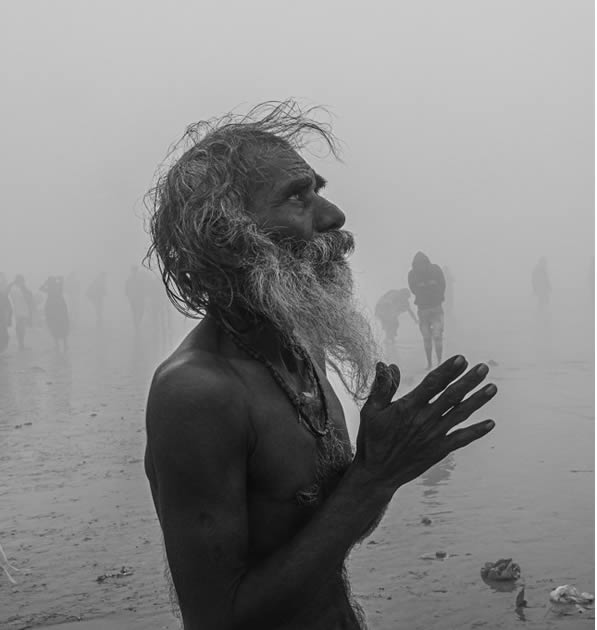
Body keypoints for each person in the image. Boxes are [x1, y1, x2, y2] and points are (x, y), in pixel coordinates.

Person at [142, 102, 496, 630]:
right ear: (228, 235)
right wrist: (372, 481)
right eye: (297, 197)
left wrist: (380, 467)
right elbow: (218, 619)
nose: (333, 217)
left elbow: (317, 527)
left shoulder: (301, 348)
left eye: (319, 190)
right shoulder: (198, 392)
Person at [408, 252, 447, 370]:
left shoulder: (412, 273)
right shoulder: (435, 269)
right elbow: (443, 284)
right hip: (434, 307)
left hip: (424, 308)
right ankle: (438, 363)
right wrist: (437, 294)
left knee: (428, 338)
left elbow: (413, 289)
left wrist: (423, 291)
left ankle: (430, 364)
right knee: (437, 336)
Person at [41, 276, 70, 352]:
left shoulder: (49, 289)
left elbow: (41, 288)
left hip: (51, 309)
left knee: (54, 325)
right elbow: (62, 280)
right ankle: (65, 344)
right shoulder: (58, 286)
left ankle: (57, 344)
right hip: (60, 308)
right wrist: (58, 279)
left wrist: (46, 282)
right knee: (62, 325)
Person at [9, 275, 33, 350]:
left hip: (22, 311)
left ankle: (21, 344)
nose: (23, 282)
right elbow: (23, 298)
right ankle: (21, 345)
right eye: (22, 281)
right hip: (20, 312)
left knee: (21, 328)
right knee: (21, 329)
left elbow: (28, 296)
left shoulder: (20, 288)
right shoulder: (15, 289)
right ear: (19, 281)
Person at [126, 266, 147, 332]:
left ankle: (137, 323)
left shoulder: (139, 279)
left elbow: (144, 288)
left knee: (140, 311)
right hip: (135, 298)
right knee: (137, 311)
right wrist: (129, 296)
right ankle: (137, 324)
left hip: (139, 298)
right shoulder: (130, 279)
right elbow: (127, 289)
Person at [0, 273, 11, 353]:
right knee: (3, 336)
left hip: (2, 318)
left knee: (4, 336)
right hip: (2, 318)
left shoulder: (3, 293)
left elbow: (7, 306)